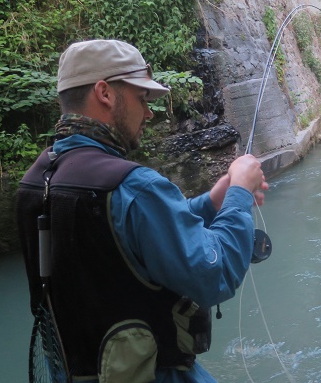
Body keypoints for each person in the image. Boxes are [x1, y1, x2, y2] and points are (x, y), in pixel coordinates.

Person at [17, 39, 268, 383]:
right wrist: (239, 194)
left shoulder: (35, 181)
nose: (149, 113)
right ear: (105, 93)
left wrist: (212, 201)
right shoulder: (134, 187)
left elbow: (127, 241)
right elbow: (215, 274)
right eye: (142, 98)